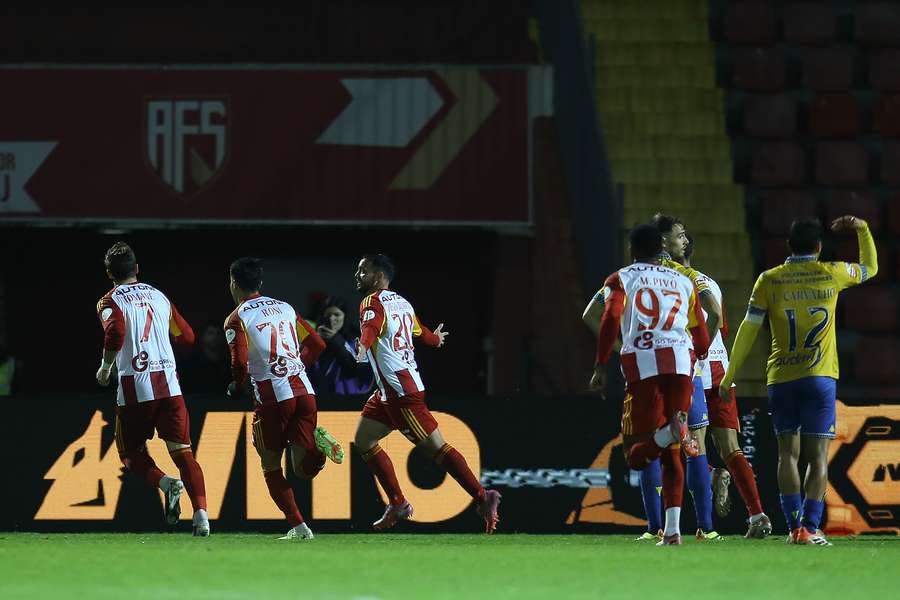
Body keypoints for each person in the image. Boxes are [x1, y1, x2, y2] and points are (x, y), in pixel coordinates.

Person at [719, 216, 878, 546]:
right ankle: (810, 528)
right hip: (819, 377)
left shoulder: (769, 280)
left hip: (782, 378)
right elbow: (870, 268)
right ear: (818, 247)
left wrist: (730, 375)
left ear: (788, 246)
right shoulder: (831, 273)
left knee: (787, 456)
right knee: (817, 457)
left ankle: (793, 527)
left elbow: (748, 330)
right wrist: (861, 230)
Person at [351, 254, 501, 533]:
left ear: (378, 274)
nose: (357, 275)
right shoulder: (403, 303)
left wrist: (362, 346)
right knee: (364, 439)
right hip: (388, 392)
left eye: (363, 270)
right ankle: (397, 502)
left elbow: (370, 328)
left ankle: (483, 496)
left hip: (401, 394)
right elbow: (422, 333)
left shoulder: (371, 302)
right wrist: (437, 339)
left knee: (437, 449)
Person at [589, 224, 710, 545]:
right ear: (662, 251)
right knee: (673, 456)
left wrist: (602, 364)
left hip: (643, 364)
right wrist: (696, 357)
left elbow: (610, 317)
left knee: (636, 456)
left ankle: (671, 431)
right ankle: (672, 531)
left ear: (632, 251)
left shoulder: (622, 277)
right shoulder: (684, 281)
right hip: (683, 364)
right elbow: (701, 333)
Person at [224, 257, 344, 541]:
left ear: (233, 284)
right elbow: (317, 344)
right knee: (303, 471)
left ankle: (299, 528)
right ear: (260, 283)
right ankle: (316, 446)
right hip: (305, 390)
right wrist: (296, 364)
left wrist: (236, 387)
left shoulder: (236, 318)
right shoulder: (285, 308)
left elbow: (239, 364)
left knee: (271, 466)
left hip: (273, 398)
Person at [95, 242, 210, 536]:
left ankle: (166, 484)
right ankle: (201, 516)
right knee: (183, 453)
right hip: (170, 386)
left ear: (109, 273)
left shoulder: (109, 301)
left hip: (137, 388)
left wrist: (106, 367)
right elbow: (187, 336)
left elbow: (116, 332)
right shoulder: (159, 296)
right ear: (137, 269)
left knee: (130, 453)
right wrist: (164, 348)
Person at [307, 296, 374, 396]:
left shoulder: (357, 339)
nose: (331, 319)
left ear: (345, 316)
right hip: (322, 398)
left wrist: (336, 340)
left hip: (351, 398)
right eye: (328, 315)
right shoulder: (316, 339)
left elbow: (357, 369)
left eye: (337, 315)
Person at [177, 321, 231, 394]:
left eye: (218, 333)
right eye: (211, 333)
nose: (215, 337)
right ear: (202, 337)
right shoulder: (191, 365)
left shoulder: (229, 364)